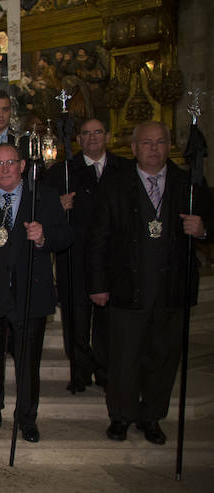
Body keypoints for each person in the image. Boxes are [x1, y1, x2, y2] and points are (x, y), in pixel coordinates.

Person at [87, 121, 214, 445]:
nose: (154, 149)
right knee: (124, 357)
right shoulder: (115, 184)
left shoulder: (188, 183)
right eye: (146, 143)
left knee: (164, 356)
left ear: (169, 146)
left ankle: (152, 416)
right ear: (134, 148)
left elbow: (211, 221)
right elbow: (98, 239)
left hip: (172, 287)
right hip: (127, 285)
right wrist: (98, 284)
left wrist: (202, 229)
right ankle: (121, 416)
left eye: (160, 142)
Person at [0, 144, 72, 443]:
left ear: (22, 165)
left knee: (27, 363)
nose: (5, 169)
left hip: (29, 295)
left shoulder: (44, 197)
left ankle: (26, 418)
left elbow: (66, 236)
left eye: (11, 162)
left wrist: (44, 237)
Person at [45, 118, 126, 391]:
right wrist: (57, 206)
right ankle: (80, 370)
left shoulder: (124, 169)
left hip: (111, 257)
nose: (92, 138)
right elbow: (42, 210)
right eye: (86, 133)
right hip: (74, 254)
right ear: (78, 139)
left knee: (107, 320)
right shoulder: (63, 171)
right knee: (76, 319)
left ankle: (105, 370)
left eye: (98, 132)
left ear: (108, 136)